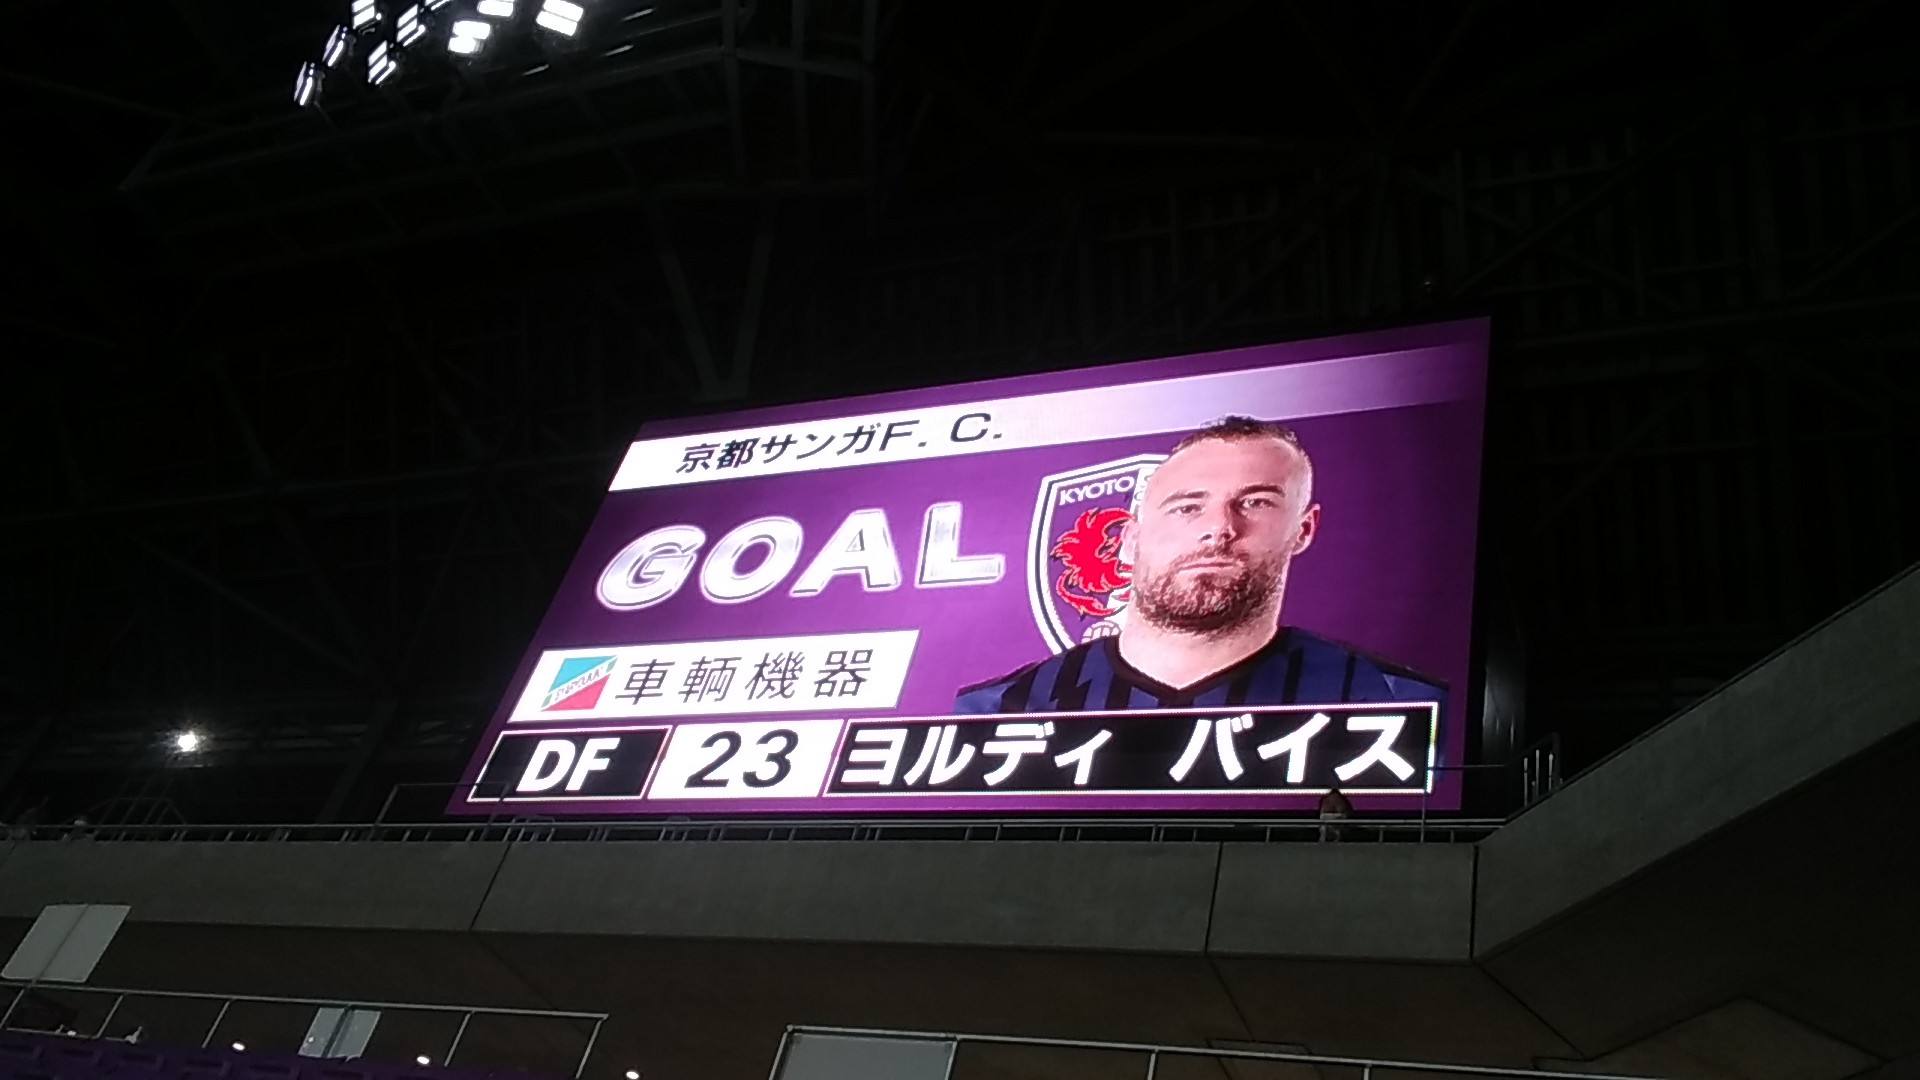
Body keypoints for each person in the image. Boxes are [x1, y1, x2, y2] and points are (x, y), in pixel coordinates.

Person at [956, 416, 1444, 712]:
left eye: (1255, 502)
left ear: (1304, 529)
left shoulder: (1399, 699)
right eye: (1187, 507)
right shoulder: (996, 708)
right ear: (1129, 540)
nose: (1219, 528)